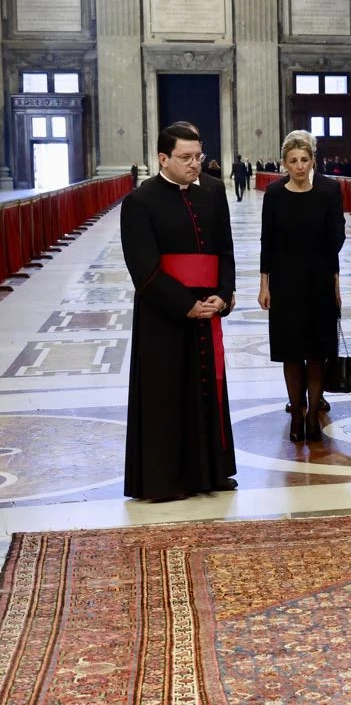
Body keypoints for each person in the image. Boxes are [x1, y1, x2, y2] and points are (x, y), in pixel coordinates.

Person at [120, 123, 236, 501]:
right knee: (167, 394)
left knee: (207, 388)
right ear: (163, 158)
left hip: (208, 308)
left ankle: (212, 472)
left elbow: (225, 250)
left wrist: (223, 293)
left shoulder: (214, 192)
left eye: (198, 156)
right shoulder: (140, 201)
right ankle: (166, 479)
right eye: (185, 158)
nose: (194, 165)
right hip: (164, 315)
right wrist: (187, 305)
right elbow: (144, 269)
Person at [258, 130, 346, 442]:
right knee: (291, 351)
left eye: (304, 160)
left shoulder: (329, 190)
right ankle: (296, 412)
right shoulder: (274, 194)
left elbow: (338, 237)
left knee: (317, 351)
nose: (299, 166)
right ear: (284, 163)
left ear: (312, 161)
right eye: (293, 161)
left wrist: (335, 284)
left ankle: (312, 416)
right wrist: (264, 284)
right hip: (284, 282)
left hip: (319, 279)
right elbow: (266, 241)